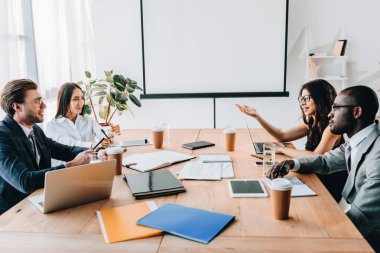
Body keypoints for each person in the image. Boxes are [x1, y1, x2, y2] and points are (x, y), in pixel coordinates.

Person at [266, 85, 380, 251]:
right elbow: (325, 162)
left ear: (356, 112)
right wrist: (293, 164)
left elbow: (363, 217)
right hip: (347, 218)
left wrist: (314, 239)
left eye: (336, 108)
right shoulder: (356, 142)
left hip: (367, 239)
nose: (329, 114)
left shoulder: (377, 154)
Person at [236, 79, 347, 202]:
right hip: (314, 175)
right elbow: (281, 136)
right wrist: (257, 116)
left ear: (321, 98)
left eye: (307, 98)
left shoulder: (331, 128)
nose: (302, 103)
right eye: (301, 99)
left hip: (328, 185)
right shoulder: (311, 123)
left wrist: (282, 149)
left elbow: (317, 156)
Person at [0, 79, 93, 214]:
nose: (44, 106)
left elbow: (65, 150)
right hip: (14, 213)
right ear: (17, 107)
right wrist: (71, 165)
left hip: (39, 202)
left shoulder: (35, 130)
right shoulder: (2, 136)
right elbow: (24, 181)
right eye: (37, 101)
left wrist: (96, 151)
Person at [46, 82, 111, 151]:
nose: (80, 103)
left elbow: (101, 133)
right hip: (69, 161)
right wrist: (92, 144)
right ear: (65, 101)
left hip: (92, 160)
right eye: (75, 99)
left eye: (82, 98)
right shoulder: (52, 126)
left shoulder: (87, 119)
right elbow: (69, 144)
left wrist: (109, 135)